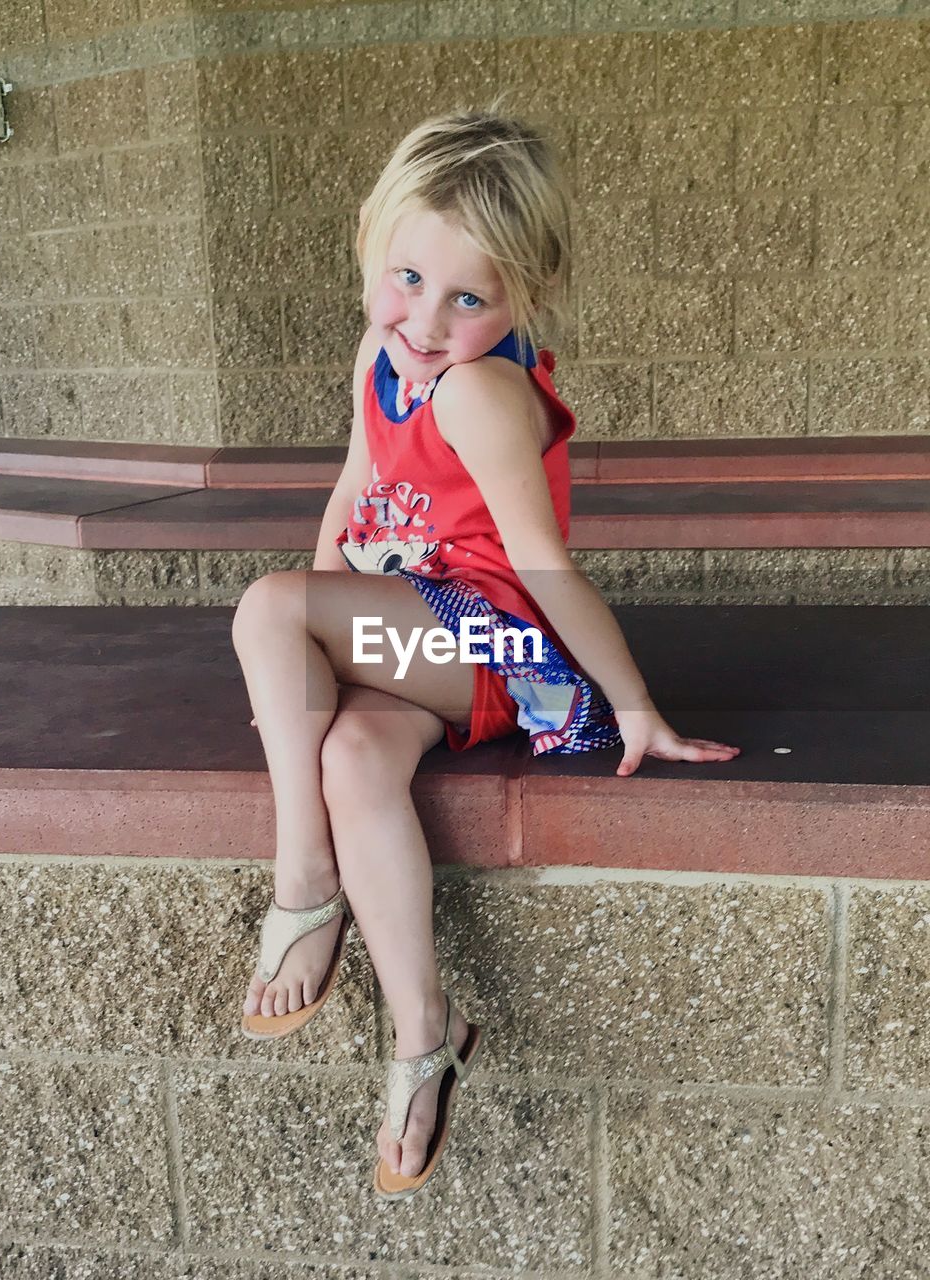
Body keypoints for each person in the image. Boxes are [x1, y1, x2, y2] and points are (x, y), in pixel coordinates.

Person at [231, 99, 740, 1202]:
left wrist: (634, 703)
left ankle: (303, 884)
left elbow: (543, 568)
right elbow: (353, 490)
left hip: (491, 644)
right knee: (350, 755)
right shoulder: (382, 349)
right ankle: (429, 1030)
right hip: (400, 624)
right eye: (410, 277)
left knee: (266, 608)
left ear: (520, 299)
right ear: (374, 242)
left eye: (469, 297)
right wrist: (311, 656)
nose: (426, 317)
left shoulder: (479, 391)